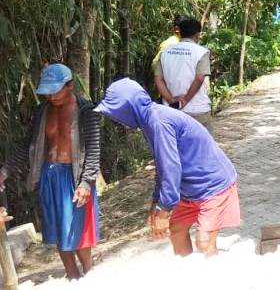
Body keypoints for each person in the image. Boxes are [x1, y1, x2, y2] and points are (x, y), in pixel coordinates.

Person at [94, 78, 240, 256]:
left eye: (117, 112)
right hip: (190, 189)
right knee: (177, 230)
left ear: (129, 108)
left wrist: (164, 212)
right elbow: (162, 168)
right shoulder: (150, 121)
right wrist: (156, 206)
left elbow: (171, 169)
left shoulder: (158, 122)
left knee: (204, 242)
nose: (116, 119)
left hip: (213, 185)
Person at [0, 64, 101, 280]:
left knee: (79, 230)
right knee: (57, 228)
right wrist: (5, 171)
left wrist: (86, 182)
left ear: (70, 85)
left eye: (57, 90)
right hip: (49, 175)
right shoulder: (41, 112)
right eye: (49, 92)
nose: (52, 96)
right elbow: (29, 145)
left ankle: (90, 276)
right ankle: (72, 276)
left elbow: (93, 148)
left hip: (75, 177)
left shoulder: (86, 111)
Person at [154, 18, 213, 132]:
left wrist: (171, 100)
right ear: (197, 34)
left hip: (171, 111)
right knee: (201, 148)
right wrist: (185, 100)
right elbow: (200, 78)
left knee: (177, 147)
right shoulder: (202, 52)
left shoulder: (165, 52)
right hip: (197, 110)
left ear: (179, 32)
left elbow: (158, 79)